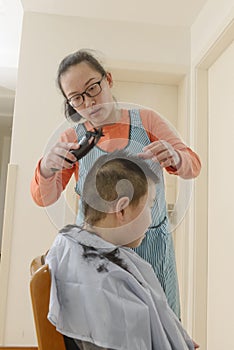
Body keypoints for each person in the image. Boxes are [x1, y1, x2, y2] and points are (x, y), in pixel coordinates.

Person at [30, 49, 201, 318]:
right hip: (95, 253)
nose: (88, 102)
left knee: (157, 321)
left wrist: (176, 156)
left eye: (93, 88)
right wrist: (46, 168)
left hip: (151, 244)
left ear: (107, 79)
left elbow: (193, 166)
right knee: (104, 325)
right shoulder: (71, 139)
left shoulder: (148, 122)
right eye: (76, 98)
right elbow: (44, 198)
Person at [45, 150, 197, 350]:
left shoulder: (72, 248)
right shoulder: (102, 280)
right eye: (150, 206)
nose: (151, 219)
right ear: (122, 209)